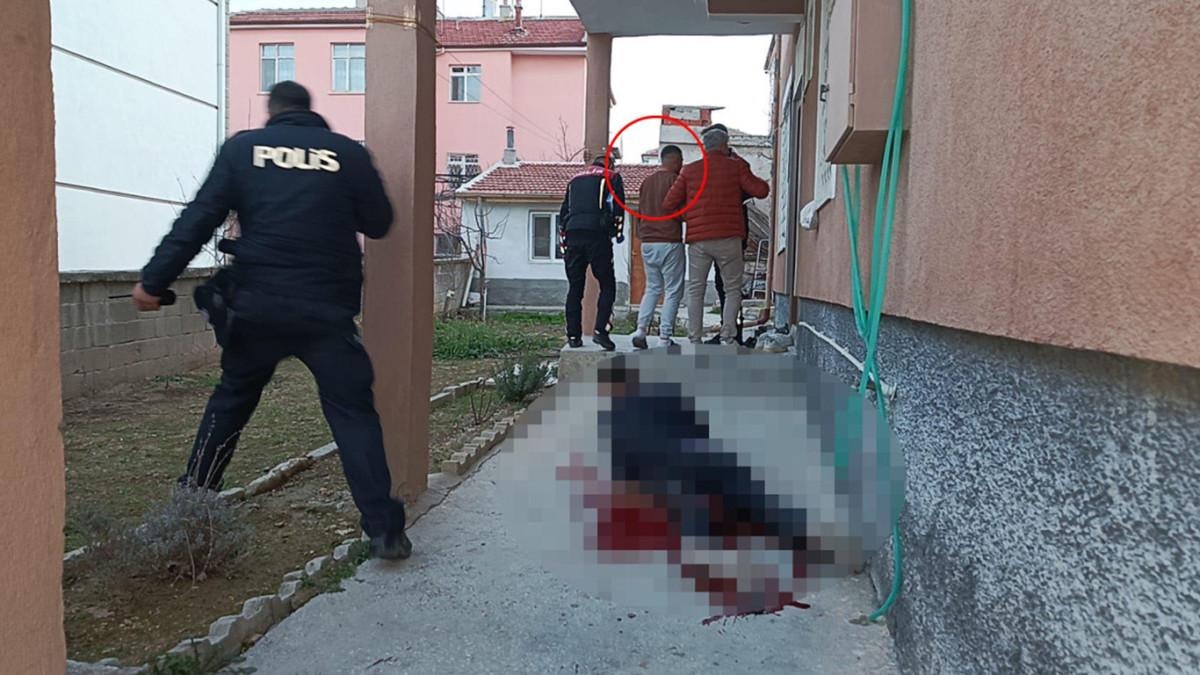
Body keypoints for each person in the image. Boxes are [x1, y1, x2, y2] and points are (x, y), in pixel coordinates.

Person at [131, 81, 412, 560]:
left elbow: (197, 220)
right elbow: (379, 223)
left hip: (256, 308)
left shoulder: (244, 150)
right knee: (352, 414)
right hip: (325, 312)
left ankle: (190, 505)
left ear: (273, 111)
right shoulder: (346, 154)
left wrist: (154, 282)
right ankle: (385, 531)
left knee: (231, 402)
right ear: (310, 111)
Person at [663, 127, 770, 344]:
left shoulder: (689, 171)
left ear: (704, 147)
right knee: (732, 289)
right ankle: (728, 336)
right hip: (729, 237)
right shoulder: (735, 167)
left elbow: (668, 204)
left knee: (696, 290)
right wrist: (739, 161)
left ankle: (695, 338)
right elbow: (761, 190)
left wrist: (689, 216)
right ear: (725, 145)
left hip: (698, 241)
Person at [559, 154, 627, 351]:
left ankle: (573, 335)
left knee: (575, 287)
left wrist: (564, 237)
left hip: (573, 234)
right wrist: (616, 233)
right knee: (607, 284)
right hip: (597, 234)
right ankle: (601, 331)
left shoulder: (574, 179)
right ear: (610, 164)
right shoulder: (612, 177)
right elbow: (618, 207)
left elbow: (564, 211)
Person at [630, 145, 687, 350]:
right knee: (672, 290)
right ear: (675, 160)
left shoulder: (647, 182)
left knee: (652, 288)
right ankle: (664, 337)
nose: (682, 165)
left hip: (647, 242)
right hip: (669, 240)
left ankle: (640, 330)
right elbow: (682, 212)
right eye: (681, 161)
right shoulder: (676, 181)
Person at [703, 124, 752, 345]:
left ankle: (734, 333)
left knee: (730, 285)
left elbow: (749, 191)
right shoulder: (711, 166)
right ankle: (728, 329)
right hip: (715, 231)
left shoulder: (738, 165)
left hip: (732, 231)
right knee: (722, 284)